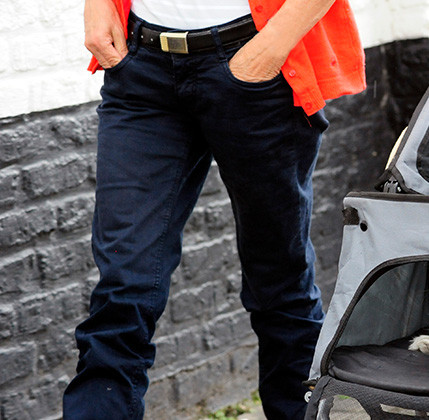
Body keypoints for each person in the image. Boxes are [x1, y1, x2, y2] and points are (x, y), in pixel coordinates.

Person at [63, 0, 365, 418]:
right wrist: (97, 7)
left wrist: (269, 49)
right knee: (122, 283)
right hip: (141, 66)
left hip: (255, 64)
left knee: (279, 279)